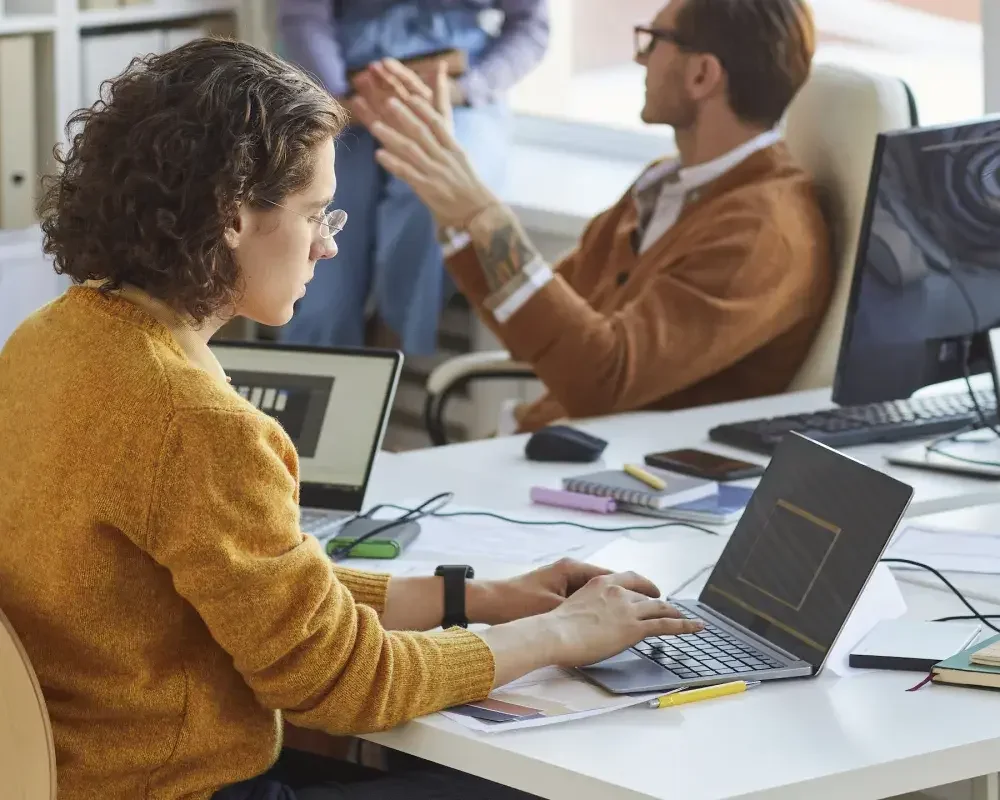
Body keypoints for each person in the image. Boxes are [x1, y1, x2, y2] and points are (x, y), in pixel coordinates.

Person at [0, 39, 700, 800]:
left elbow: (255, 592)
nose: (331, 244)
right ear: (234, 216)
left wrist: (474, 598)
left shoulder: (51, 339)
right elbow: (343, 683)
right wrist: (559, 635)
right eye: (313, 214)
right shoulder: (196, 422)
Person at [354, 0, 833, 432]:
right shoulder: (665, 186)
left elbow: (603, 381)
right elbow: (535, 334)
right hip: (546, 448)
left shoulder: (761, 234)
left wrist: (483, 216)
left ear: (703, 76)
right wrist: (451, 210)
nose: (639, 59)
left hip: (616, 486)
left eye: (654, 41)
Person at [276, 0, 549, 354]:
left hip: (458, 92)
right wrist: (339, 100)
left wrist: (464, 89)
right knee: (319, 221)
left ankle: (392, 343)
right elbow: (303, 18)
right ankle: (314, 369)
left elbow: (531, 26)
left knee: (428, 192)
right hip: (343, 91)